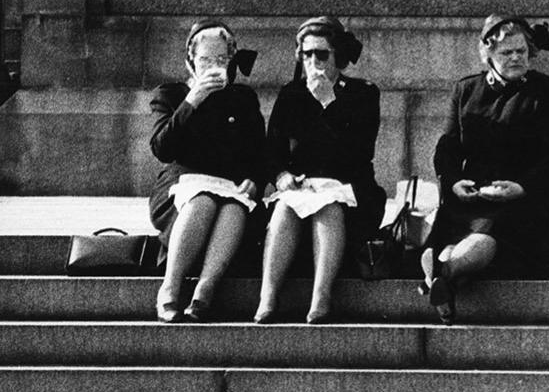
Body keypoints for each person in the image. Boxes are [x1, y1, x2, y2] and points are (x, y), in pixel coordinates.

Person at [422, 14, 549, 322]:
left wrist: (522, 187)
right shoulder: (466, 90)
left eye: (521, 51)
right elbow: (446, 149)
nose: (516, 57)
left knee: (487, 238)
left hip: (524, 201)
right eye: (506, 52)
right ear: (488, 54)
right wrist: (454, 182)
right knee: (456, 239)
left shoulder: (546, 92)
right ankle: (443, 281)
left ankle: (441, 274)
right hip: (470, 198)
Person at [254, 16, 385, 324]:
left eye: (322, 54)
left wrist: (329, 103)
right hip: (302, 189)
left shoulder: (363, 94)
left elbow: (360, 152)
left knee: (328, 207)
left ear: (337, 55)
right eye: (307, 54)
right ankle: (268, 296)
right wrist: (282, 177)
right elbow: (272, 151)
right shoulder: (292, 94)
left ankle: (321, 297)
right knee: (285, 208)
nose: (314, 61)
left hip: (348, 190)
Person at [149, 19, 266, 322]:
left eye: (221, 59)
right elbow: (162, 149)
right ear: (191, 61)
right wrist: (193, 100)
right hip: (183, 186)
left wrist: (255, 180)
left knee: (234, 207)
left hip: (229, 186)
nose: (214, 66)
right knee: (202, 199)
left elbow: (259, 152)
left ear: (231, 61)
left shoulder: (242, 98)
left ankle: (205, 290)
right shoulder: (172, 95)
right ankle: (170, 289)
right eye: (206, 59)